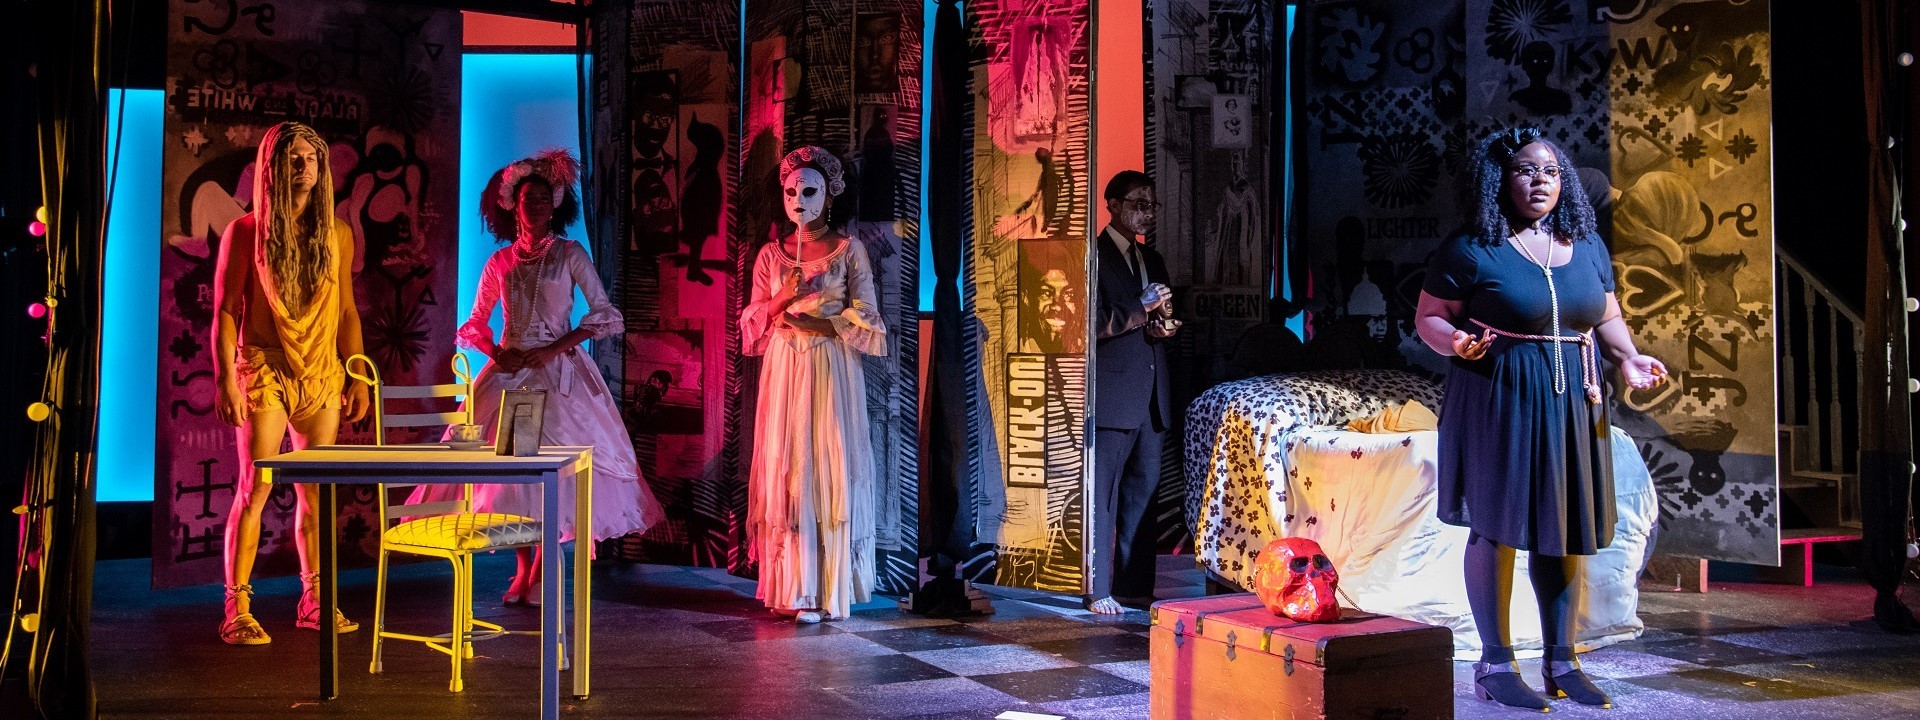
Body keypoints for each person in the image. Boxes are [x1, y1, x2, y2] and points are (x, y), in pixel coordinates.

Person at [1414, 127, 1669, 710]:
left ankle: (1562, 660)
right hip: (1498, 391)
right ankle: (1495, 663)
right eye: (1527, 170)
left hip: (1572, 398)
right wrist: (1455, 342)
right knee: (1498, 525)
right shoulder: (1472, 247)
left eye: (1552, 172)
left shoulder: (1586, 244)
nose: (1540, 181)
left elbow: (1604, 312)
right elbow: (1429, 317)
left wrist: (1627, 357)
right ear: (1500, 178)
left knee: (1565, 526)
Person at [412, 149, 665, 605]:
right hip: (511, 376)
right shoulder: (500, 263)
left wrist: (552, 348)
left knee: (557, 471)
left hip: (559, 375)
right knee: (516, 473)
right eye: (529, 200)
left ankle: (549, 565)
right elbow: (475, 322)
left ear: (556, 206)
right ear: (513, 205)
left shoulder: (570, 254)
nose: (537, 208)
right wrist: (496, 351)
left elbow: (604, 314)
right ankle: (523, 567)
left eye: (545, 200)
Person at [212, 121, 371, 645]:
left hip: (321, 369)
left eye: (310, 157)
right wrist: (226, 381)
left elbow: (346, 309)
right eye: (292, 158)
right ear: (271, 168)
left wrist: (357, 372)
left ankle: (315, 600)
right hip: (264, 366)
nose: (303, 166)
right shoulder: (245, 232)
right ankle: (236, 606)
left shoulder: (338, 233)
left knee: (316, 493)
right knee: (255, 485)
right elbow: (226, 312)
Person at [742, 146, 888, 624]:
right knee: (788, 464)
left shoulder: (850, 250)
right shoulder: (771, 254)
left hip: (830, 365)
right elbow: (752, 319)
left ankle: (830, 585)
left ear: (829, 196)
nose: (799, 200)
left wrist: (829, 325)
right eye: (790, 192)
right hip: (786, 365)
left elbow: (868, 315)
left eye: (809, 191)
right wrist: (785, 296)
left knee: (828, 461)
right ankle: (796, 586)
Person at [1088, 170, 1178, 615]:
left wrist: (1162, 325)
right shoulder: (1094, 255)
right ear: (1113, 205)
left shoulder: (1153, 260)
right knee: (1103, 494)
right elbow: (1086, 323)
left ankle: (1135, 587)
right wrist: (1138, 308)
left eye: (1151, 204)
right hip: (1113, 393)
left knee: (1144, 494)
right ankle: (1097, 587)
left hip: (1151, 394)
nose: (1146, 212)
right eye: (1138, 203)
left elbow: (1154, 319)